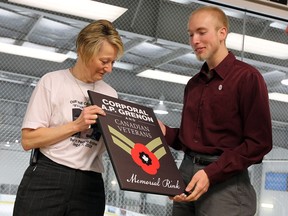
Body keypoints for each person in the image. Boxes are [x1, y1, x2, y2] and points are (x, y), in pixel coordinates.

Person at [158, 5, 272, 216]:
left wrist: (211, 173)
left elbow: (259, 144)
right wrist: (164, 131)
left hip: (225, 182)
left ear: (222, 33)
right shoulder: (194, 84)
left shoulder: (247, 78)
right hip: (187, 175)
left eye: (202, 32)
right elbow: (189, 141)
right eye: (191, 34)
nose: (194, 41)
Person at [13, 19, 124, 216]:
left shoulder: (111, 95)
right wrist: (76, 125)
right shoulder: (52, 82)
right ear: (83, 50)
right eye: (104, 61)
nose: (109, 69)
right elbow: (28, 140)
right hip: (48, 178)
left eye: (113, 62)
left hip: (90, 185)